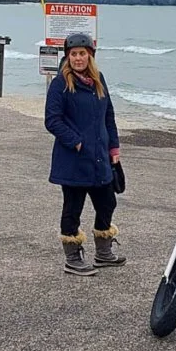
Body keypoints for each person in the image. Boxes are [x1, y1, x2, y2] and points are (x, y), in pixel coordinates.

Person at [45, 33, 124, 276]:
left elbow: (108, 116)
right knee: (73, 208)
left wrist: (114, 148)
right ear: (68, 57)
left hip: (100, 155)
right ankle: (72, 257)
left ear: (90, 55)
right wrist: (76, 142)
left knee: (107, 203)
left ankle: (103, 252)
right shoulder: (60, 83)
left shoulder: (99, 79)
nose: (78, 58)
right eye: (74, 54)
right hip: (73, 159)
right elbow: (52, 120)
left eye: (82, 53)